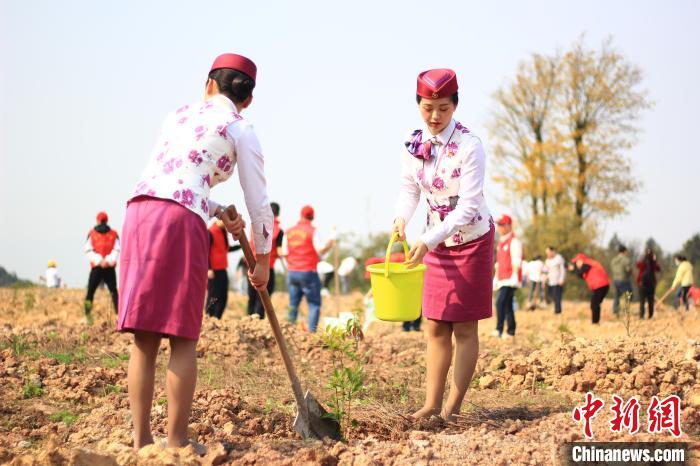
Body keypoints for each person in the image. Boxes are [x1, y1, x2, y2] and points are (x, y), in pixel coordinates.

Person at [117, 53, 273, 451]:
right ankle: (177, 441)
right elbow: (259, 203)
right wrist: (265, 258)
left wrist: (219, 210)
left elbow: (178, 176)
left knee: (145, 338)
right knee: (182, 338)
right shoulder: (242, 129)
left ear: (208, 85)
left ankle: (140, 441)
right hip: (179, 221)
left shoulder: (178, 114)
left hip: (139, 211)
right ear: (248, 99)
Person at [394, 68, 494, 421]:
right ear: (418, 105)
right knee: (435, 324)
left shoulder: (470, 147)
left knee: (464, 326)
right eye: (427, 108)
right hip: (434, 241)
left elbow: (468, 206)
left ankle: (452, 408)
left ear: (455, 106)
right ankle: (431, 404)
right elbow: (410, 190)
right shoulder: (414, 144)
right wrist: (401, 220)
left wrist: (427, 239)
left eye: (443, 109)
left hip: (470, 240)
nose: (434, 117)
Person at [282, 205, 335, 332]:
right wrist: (331, 242)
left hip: (292, 272)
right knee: (314, 304)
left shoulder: (288, 231)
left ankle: (289, 332)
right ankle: (311, 335)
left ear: (300, 215)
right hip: (308, 272)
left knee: (293, 304)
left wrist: (292, 266)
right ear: (312, 217)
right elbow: (321, 250)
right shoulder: (312, 231)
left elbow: (284, 252)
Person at [247, 202, 284, 319]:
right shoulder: (278, 230)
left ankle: (249, 319)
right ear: (277, 214)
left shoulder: (254, 225)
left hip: (252, 265)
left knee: (252, 296)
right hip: (268, 268)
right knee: (263, 297)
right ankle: (258, 320)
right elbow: (279, 252)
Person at [84, 211, 120, 318]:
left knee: (90, 292)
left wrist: (99, 261)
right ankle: (118, 315)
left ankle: (87, 315)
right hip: (109, 267)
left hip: (97, 267)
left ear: (97, 220)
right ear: (107, 220)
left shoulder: (91, 233)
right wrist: (108, 260)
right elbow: (117, 249)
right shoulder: (114, 233)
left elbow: (87, 250)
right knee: (114, 292)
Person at [492, 214, 522, 338]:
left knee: (500, 302)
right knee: (507, 304)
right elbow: (499, 263)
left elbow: (516, 259)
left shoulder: (514, 241)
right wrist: (496, 277)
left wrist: (515, 275)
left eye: (501, 225)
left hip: (510, 279)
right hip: (502, 278)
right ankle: (510, 330)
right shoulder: (500, 242)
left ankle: (499, 329)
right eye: (498, 225)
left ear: (509, 226)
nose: (499, 227)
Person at [205, 219, 238, 319]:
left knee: (223, 295)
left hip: (222, 268)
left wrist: (241, 246)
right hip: (213, 270)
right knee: (213, 295)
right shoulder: (210, 232)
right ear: (220, 219)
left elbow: (226, 249)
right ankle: (208, 316)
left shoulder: (223, 232)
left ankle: (217, 317)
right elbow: (205, 251)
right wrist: (208, 268)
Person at [568, 253, 610, 324]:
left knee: (594, 304)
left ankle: (595, 322)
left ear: (581, 260)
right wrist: (573, 270)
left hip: (600, 286)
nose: (576, 264)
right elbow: (581, 275)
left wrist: (573, 269)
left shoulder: (587, 263)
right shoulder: (588, 265)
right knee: (595, 304)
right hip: (602, 286)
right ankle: (596, 322)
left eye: (576, 262)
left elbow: (579, 272)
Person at [636, 249, 660, 319]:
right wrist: (654, 260)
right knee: (650, 301)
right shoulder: (653, 263)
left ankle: (641, 316)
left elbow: (637, 265)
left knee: (642, 301)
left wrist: (642, 258)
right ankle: (650, 316)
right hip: (651, 284)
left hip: (642, 284)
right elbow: (658, 269)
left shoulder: (642, 263)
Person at [610, 245, 633, 316]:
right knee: (628, 295)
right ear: (625, 251)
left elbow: (612, 268)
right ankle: (626, 310)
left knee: (617, 295)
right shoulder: (625, 259)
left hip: (615, 279)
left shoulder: (614, 260)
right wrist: (630, 273)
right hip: (623, 280)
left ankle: (615, 310)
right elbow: (628, 270)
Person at [543, 246, 565, 315]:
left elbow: (562, 270)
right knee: (552, 296)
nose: (547, 254)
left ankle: (558, 311)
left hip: (558, 281)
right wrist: (544, 279)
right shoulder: (547, 261)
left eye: (548, 253)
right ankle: (556, 309)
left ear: (552, 251)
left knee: (557, 296)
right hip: (550, 281)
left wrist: (562, 279)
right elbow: (546, 271)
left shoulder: (559, 258)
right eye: (546, 253)